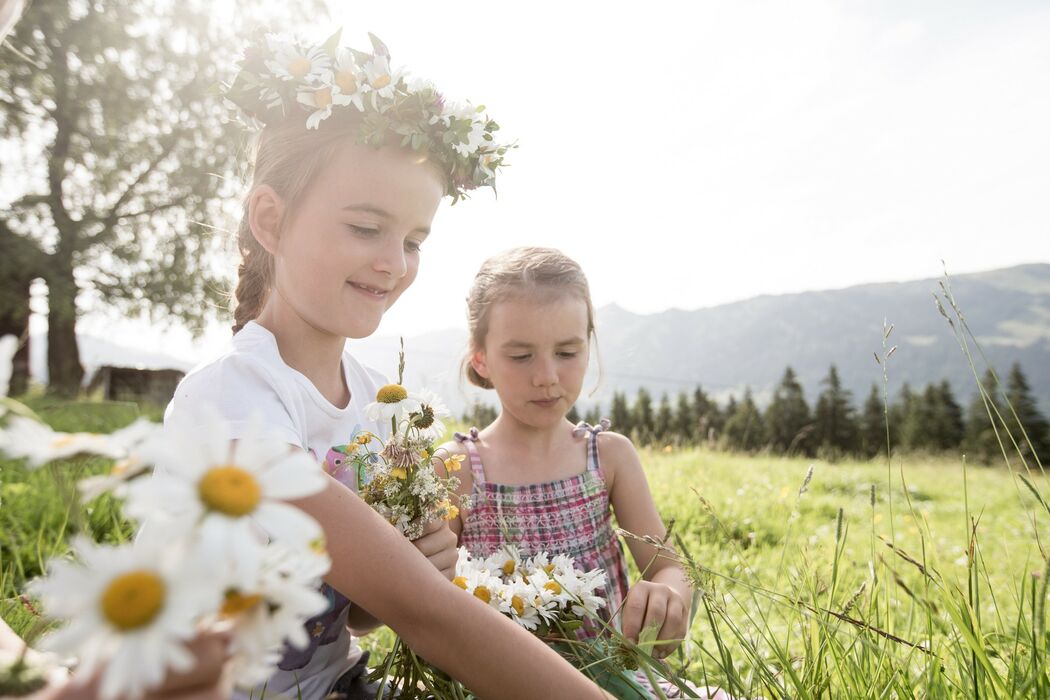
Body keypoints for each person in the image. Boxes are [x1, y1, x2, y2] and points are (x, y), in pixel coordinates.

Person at [163, 31, 611, 700]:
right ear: (271, 219)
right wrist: (411, 586)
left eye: (412, 240)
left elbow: (369, 613)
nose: (394, 264)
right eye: (366, 229)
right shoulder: (231, 402)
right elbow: (429, 617)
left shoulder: (382, 407)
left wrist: (421, 558)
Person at [439, 247, 699, 696]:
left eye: (566, 352)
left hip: (615, 682)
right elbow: (431, 598)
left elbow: (671, 568)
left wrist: (669, 594)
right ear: (481, 358)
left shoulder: (609, 457)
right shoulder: (458, 468)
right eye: (521, 356)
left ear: (588, 345)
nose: (547, 376)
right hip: (498, 684)